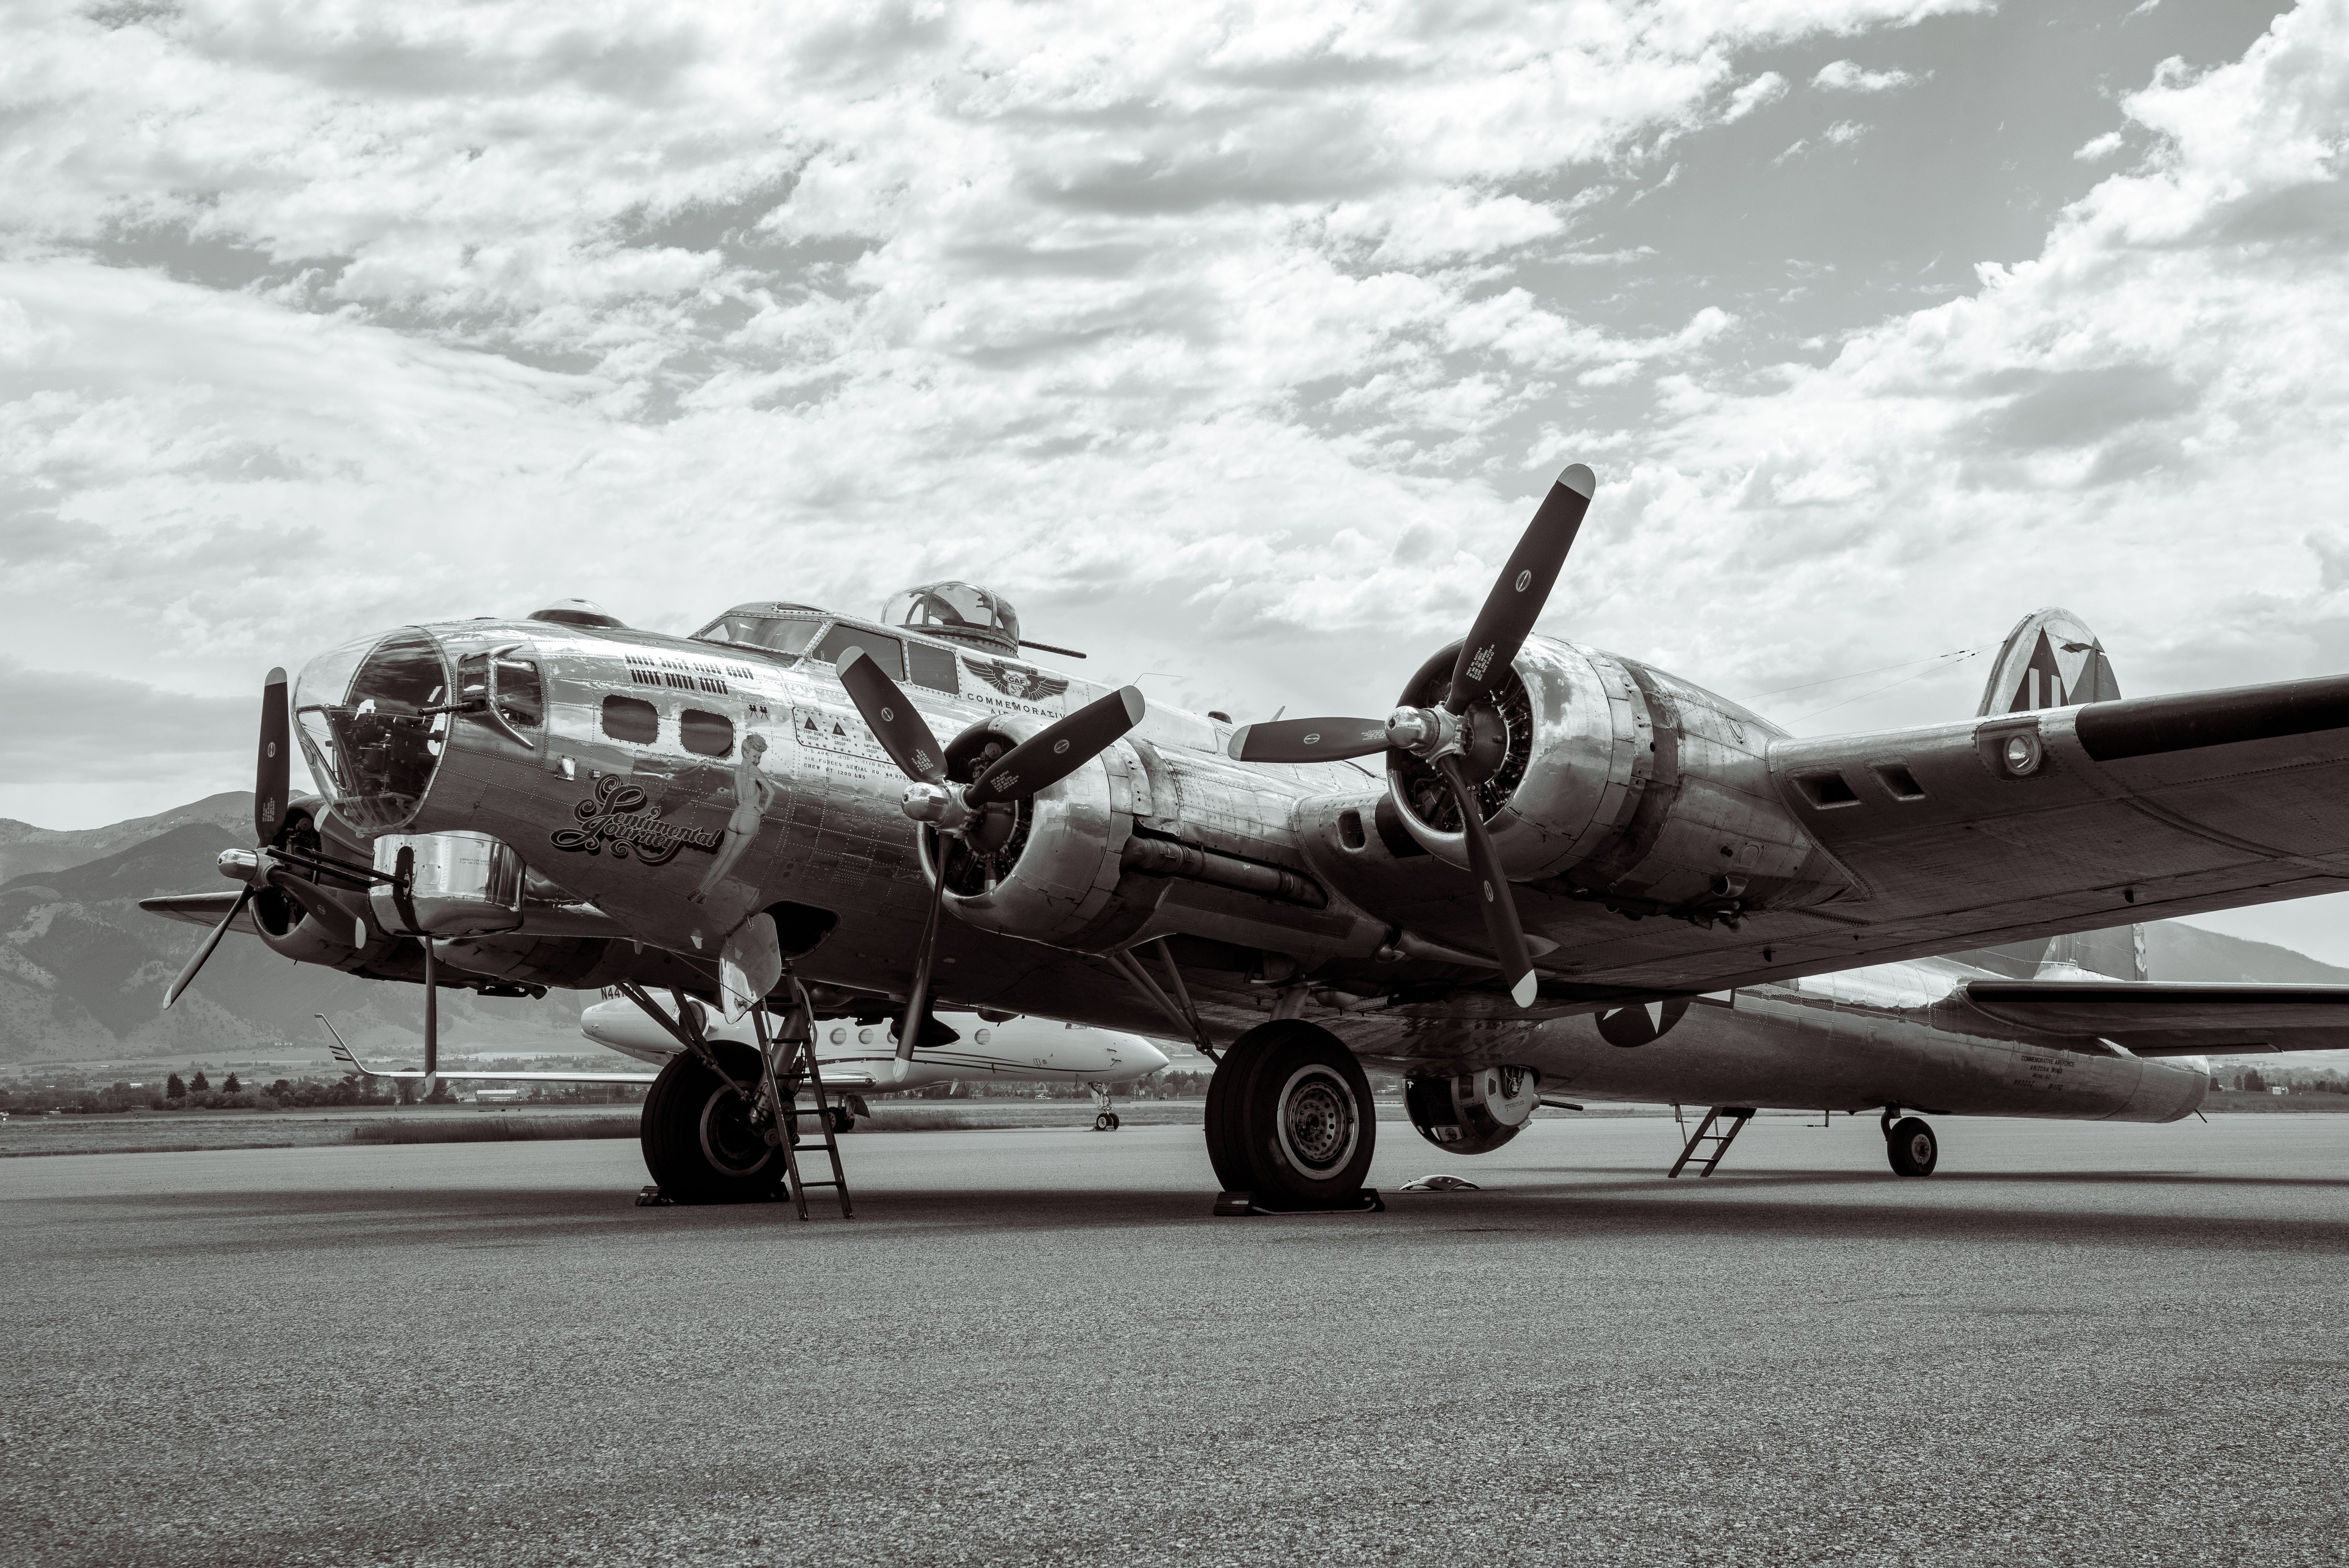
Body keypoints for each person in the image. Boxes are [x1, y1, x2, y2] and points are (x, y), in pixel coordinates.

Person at [691, 731, 776, 902]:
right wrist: (763, 809)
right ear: (746, 752)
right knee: (730, 860)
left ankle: (699, 888)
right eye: (755, 756)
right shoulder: (755, 772)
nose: (757, 760)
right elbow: (772, 792)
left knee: (723, 856)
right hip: (750, 817)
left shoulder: (738, 771)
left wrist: (742, 807)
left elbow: (736, 796)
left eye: (759, 757)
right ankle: (705, 895)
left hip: (737, 816)